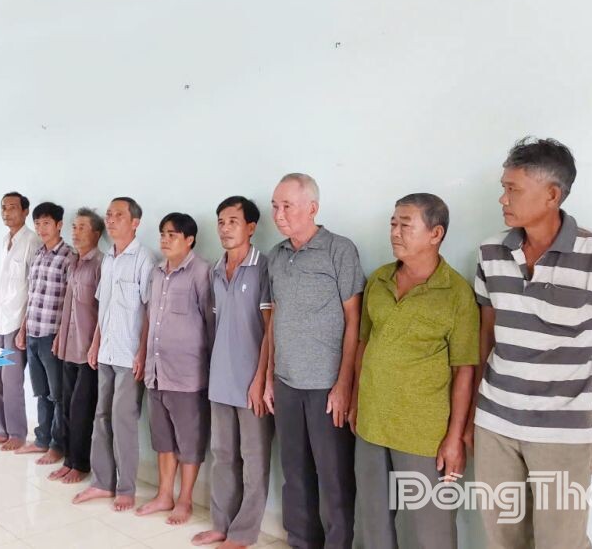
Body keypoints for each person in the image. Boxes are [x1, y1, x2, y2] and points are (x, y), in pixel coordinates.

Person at [466, 137, 592, 548]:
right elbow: (486, 335)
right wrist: (474, 414)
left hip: (563, 432)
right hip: (495, 425)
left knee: (561, 543)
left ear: (552, 195)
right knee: (503, 541)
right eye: (503, 187)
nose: (502, 198)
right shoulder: (490, 252)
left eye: (512, 189)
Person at [348, 193, 478, 549]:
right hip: (372, 423)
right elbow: (364, 345)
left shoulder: (456, 294)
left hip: (424, 433)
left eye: (405, 225)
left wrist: (454, 437)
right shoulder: (379, 280)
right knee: (372, 522)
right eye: (393, 223)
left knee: (429, 530)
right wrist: (357, 401)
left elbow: (464, 370)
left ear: (435, 234)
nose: (395, 232)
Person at [266, 173, 364, 549]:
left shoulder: (339, 250)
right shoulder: (276, 256)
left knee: (334, 476)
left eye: (287, 206)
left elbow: (354, 319)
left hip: (326, 386)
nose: (279, 214)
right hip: (286, 382)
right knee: (294, 472)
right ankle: (301, 541)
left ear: (312, 208)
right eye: (275, 206)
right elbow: (276, 318)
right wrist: (269, 377)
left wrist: (344, 384)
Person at [193, 196, 274, 549]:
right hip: (220, 379)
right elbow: (216, 326)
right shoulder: (215, 270)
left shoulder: (264, 268)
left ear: (251, 227)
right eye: (221, 222)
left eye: (233, 222)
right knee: (222, 456)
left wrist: (261, 380)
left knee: (254, 460)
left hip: (252, 383)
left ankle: (243, 533)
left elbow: (271, 329)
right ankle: (221, 524)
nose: (225, 228)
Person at [73, 197, 156, 512]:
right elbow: (104, 308)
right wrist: (95, 343)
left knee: (124, 422)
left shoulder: (144, 259)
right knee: (101, 417)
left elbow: (150, 312)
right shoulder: (107, 259)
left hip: (129, 355)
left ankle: (126, 489)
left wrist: (143, 353)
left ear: (135, 222)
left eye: (118, 215)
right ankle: (102, 482)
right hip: (106, 352)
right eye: (109, 215)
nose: (111, 220)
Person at [135, 213, 214, 525]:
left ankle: (185, 500)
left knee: (189, 441)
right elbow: (149, 317)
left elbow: (211, 322)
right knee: (163, 439)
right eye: (163, 234)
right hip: (156, 371)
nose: (165, 240)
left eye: (172, 235)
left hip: (188, 375)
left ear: (189, 239)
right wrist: (142, 355)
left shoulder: (202, 272)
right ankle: (164, 494)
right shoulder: (157, 272)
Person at [0, 191, 42, 451]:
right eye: (3, 207)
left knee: (12, 381)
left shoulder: (32, 241)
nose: (7, 212)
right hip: (0, 319)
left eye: (13, 207)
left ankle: (17, 433)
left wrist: (25, 326)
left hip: (18, 321)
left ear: (25, 211)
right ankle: (2, 430)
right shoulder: (5, 240)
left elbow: (34, 287)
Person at [49, 208, 105, 483]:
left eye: (82, 227)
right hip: (68, 347)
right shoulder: (73, 262)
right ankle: (69, 460)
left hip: (88, 351)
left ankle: (81, 464)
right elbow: (68, 305)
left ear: (96, 233)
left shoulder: (100, 265)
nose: (76, 232)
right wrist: (59, 336)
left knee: (82, 410)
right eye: (74, 227)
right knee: (66, 406)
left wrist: (96, 344)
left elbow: (103, 310)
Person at [15, 202, 73, 465]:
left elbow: (70, 302)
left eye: (46, 223)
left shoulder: (68, 256)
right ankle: (41, 440)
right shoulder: (38, 254)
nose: (41, 228)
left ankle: (57, 445)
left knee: (57, 395)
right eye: (37, 223)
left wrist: (62, 336)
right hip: (33, 333)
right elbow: (33, 296)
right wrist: (23, 329)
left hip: (53, 335)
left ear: (59, 225)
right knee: (40, 391)